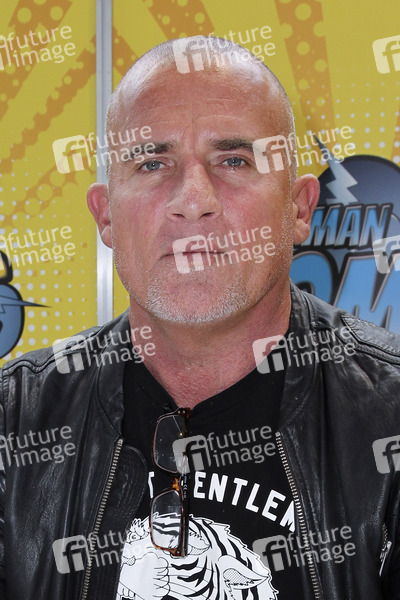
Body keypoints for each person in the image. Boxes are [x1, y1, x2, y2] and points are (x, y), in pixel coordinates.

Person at [0, 36, 399, 600]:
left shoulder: (390, 416)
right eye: (152, 162)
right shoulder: (14, 422)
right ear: (106, 216)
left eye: (234, 161)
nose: (192, 199)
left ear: (299, 208)